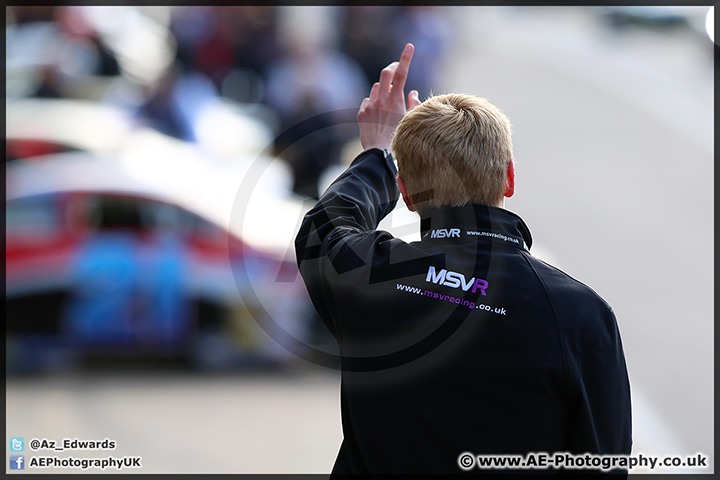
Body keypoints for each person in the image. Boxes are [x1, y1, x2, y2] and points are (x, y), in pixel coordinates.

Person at [295, 43, 632, 475]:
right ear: (509, 178)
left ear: (409, 195)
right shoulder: (581, 314)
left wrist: (376, 156)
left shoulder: (368, 274)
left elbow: (324, 228)